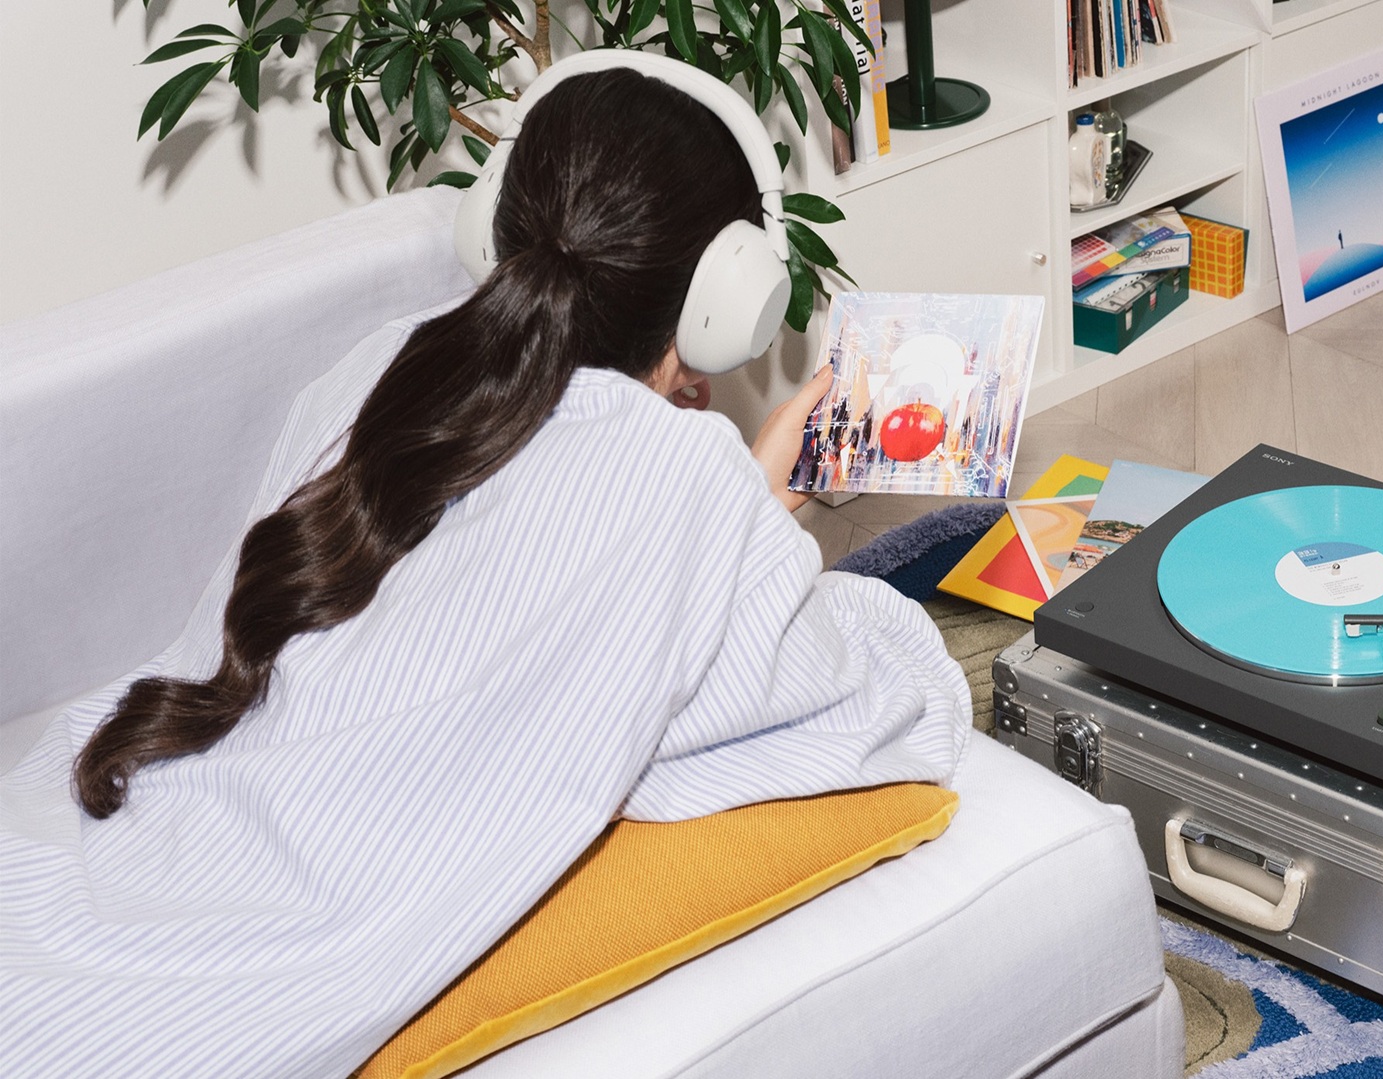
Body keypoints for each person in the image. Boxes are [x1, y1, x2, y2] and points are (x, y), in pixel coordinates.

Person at [0, 65, 968, 1077]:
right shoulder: (688, 480)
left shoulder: (387, 362)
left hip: (87, 848)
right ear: (728, 297)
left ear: (496, 218)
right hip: (230, 963)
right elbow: (839, 706)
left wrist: (734, 513)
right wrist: (763, 526)